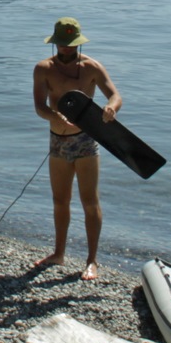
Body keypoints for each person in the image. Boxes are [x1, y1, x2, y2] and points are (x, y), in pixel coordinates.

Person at [30, 17, 121, 280]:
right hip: (57, 141)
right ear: (55, 42)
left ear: (78, 42)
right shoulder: (43, 68)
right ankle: (58, 253)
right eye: (63, 43)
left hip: (85, 141)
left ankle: (92, 261)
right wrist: (54, 117)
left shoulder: (92, 67)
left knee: (89, 202)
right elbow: (39, 106)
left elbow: (115, 95)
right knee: (60, 201)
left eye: (71, 44)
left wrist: (111, 108)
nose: (67, 48)